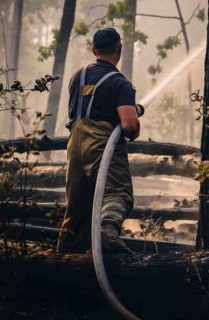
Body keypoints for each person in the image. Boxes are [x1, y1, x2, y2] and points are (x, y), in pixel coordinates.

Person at [57, 27, 144, 254]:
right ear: (120, 49)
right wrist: (134, 116)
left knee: (77, 207)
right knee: (118, 194)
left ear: (94, 50)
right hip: (102, 144)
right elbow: (129, 126)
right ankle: (107, 230)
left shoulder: (78, 76)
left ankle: (65, 258)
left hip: (75, 144)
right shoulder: (120, 84)